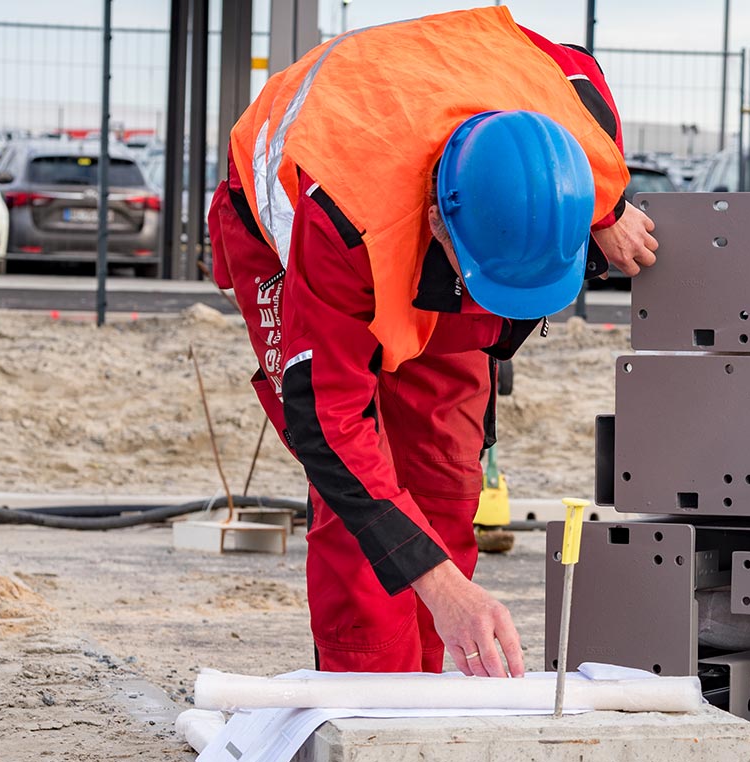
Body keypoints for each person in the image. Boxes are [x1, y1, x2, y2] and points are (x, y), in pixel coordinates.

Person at [208, 7, 658, 677]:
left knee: (446, 476)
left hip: (447, 200)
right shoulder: (344, 225)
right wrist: (441, 586)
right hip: (300, 216)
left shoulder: (580, 111)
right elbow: (332, 425)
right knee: (364, 493)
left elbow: (568, 107)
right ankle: (372, 699)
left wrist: (608, 207)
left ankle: (429, 681)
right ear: (436, 226)